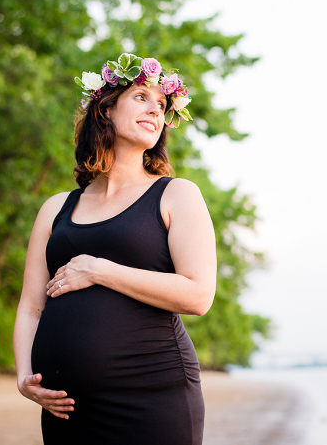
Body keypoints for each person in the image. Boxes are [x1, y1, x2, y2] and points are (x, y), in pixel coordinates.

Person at [13, 53, 217, 445]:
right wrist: (24, 375)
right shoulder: (56, 208)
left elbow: (198, 295)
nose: (155, 110)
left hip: (152, 398)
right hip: (66, 407)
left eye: (162, 104)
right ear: (106, 108)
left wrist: (99, 270)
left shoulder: (176, 194)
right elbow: (31, 305)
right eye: (141, 97)